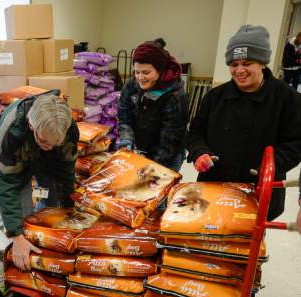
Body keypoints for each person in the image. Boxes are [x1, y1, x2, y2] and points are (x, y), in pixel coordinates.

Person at [186, 25, 301, 220]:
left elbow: (296, 143)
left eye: (247, 63)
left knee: (248, 245)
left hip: (260, 192)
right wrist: (199, 152)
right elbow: (195, 132)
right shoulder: (215, 97)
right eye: (233, 64)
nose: (239, 70)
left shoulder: (288, 99)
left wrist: (271, 165)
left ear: (263, 62)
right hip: (214, 188)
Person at [0, 92, 79, 270]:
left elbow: (66, 171)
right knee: (23, 221)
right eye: (45, 141)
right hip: (15, 161)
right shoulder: (12, 132)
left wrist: (69, 207)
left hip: (47, 162)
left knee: (54, 208)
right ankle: (23, 264)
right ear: (31, 125)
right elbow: (6, 185)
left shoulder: (68, 130)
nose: (49, 146)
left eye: (55, 143)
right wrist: (17, 235)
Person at [118, 41, 189, 172]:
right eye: (137, 72)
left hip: (168, 153)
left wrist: (152, 169)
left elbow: (170, 140)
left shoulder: (175, 96)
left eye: (146, 72)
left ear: (160, 70)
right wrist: (126, 137)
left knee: (155, 187)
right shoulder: (131, 85)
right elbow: (124, 115)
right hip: (141, 148)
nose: (140, 77)